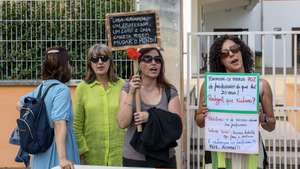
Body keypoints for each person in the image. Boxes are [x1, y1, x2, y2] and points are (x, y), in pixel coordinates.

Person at [195, 35, 276, 169]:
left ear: (241, 51)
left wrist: (264, 118)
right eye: (225, 54)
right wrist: (202, 115)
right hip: (219, 153)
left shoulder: (261, 86)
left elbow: (271, 125)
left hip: (250, 152)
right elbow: (199, 122)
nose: (231, 54)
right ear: (220, 61)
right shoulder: (210, 85)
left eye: (234, 49)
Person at [117, 47, 183, 168]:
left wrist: (150, 116)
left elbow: (176, 125)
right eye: (147, 59)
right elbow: (122, 123)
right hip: (135, 158)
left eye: (157, 60)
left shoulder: (169, 91)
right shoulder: (128, 88)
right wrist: (131, 92)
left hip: (163, 159)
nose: (153, 63)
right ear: (139, 64)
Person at [19, 47, 80, 169]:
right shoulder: (62, 90)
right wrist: (63, 159)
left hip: (40, 150)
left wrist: (38, 121)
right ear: (64, 65)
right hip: (57, 153)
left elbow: (19, 104)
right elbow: (58, 122)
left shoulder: (41, 88)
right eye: (68, 62)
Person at [73, 44, 125, 165]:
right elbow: (77, 125)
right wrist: (82, 151)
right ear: (90, 63)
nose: (100, 62)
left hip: (119, 155)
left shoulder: (122, 85)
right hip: (91, 155)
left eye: (104, 58)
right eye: (95, 59)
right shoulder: (82, 88)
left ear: (110, 61)